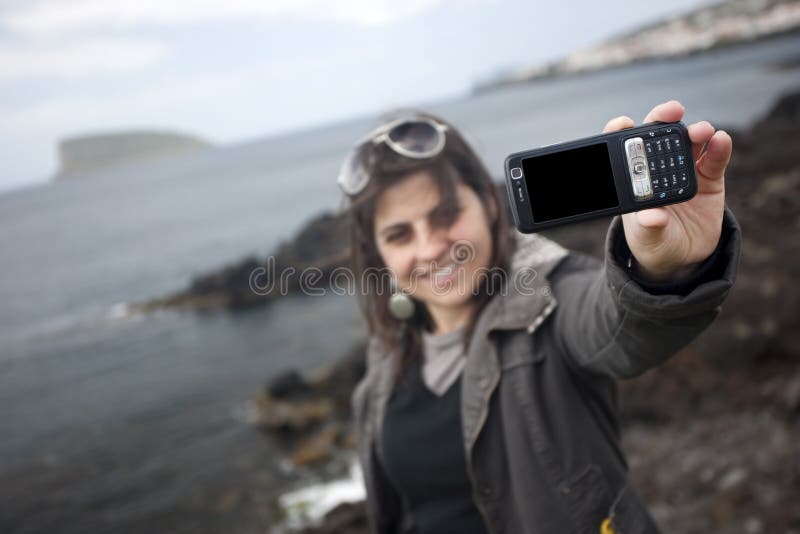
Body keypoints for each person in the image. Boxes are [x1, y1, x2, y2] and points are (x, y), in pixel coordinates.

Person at [339, 101, 741, 534]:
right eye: (399, 235)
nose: (430, 247)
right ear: (379, 253)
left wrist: (664, 269)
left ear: (490, 204)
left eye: (446, 214)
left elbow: (620, 325)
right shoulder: (389, 348)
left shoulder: (552, 295)